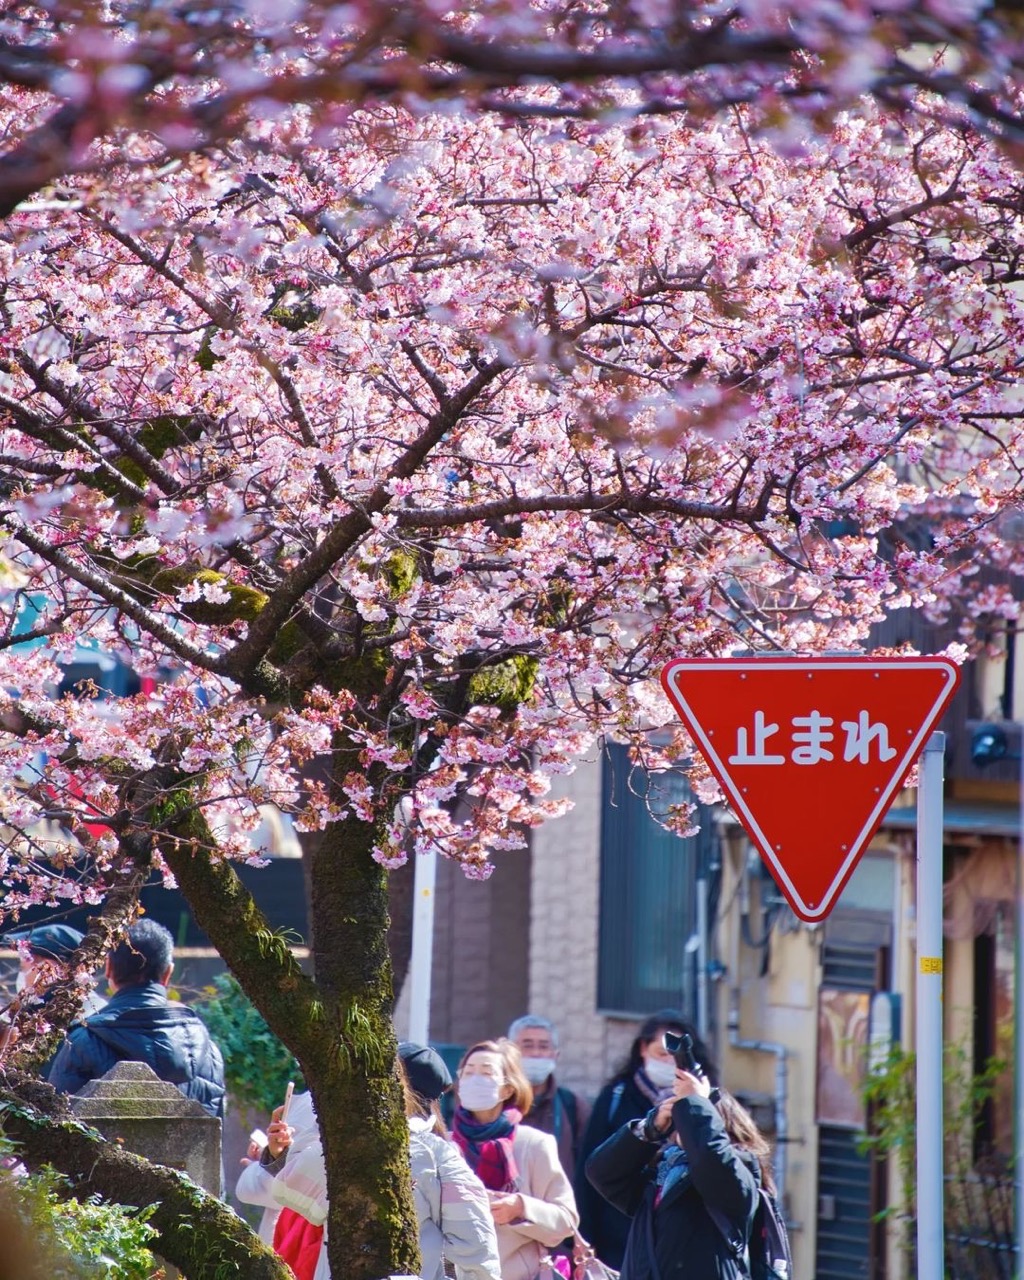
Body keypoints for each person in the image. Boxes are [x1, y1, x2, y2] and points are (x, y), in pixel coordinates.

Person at [271, 1044, 503, 1280]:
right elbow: (478, 1251)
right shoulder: (442, 1156)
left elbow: (287, 1186)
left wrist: (323, 1116)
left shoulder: (347, 1147)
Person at [584, 1053, 773, 1280]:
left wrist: (696, 1103)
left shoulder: (740, 1172)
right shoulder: (662, 1176)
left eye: (686, 1117)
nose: (679, 1126)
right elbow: (602, 1173)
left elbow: (710, 1159)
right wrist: (649, 1129)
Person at [574, 1009, 716, 1270]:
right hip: (619, 1237)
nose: (668, 1063)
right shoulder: (616, 1096)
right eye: (662, 1054)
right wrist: (586, 1237)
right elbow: (591, 1169)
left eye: (676, 1057)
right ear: (642, 1048)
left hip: (687, 1241)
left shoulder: (710, 1103)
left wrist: (697, 1108)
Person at [46, 918, 226, 1119]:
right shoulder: (207, 1050)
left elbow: (56, 1124)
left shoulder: (82, 1042)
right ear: (168, 973)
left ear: (108, 969)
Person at [451, 1038, 578, 1280]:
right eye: (468, 1073)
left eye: (487, 1072)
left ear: (508, 1089)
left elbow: (566, 1221)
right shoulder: (445, 1145)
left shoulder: (533, 1144)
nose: (475, 1079)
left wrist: (520, 1208)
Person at [1, 924, 107, 1066]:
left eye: (23, 967)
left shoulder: (86, 1017)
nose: (22, 976)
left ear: (47, 967)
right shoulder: (42, 1011)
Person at [508, 1015, 591, 1182]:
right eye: (527, 1045)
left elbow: (588, 1166)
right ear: (510, 1052)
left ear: (556, 1054)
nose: (536, 1053)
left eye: (543, 1046)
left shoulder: (572, 1106)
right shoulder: (493, 1103)